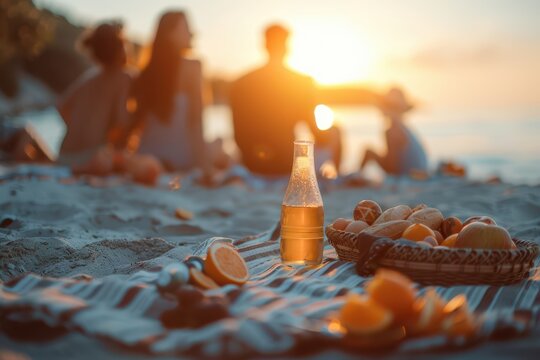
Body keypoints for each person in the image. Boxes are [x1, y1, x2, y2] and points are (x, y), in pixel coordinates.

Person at [230, 24, 341, 176]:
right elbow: (315, 132)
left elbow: (238, 136)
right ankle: (330, 182)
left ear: (265, 45)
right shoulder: (301, 83)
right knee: (335, 131)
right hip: (288, 165)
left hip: (252, 165)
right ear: (287, 47)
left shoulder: (241, 82)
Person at [130, 11, 209, 172]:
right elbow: (196, 121)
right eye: (186, 28)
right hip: (181, 160)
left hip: (147, 158)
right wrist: (203, 167)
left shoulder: (144, 73)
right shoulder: (193, 67)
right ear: (169, 34)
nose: (192, 33)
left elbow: (134, 125)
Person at [57, 21, 132, 166]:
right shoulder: (123, 78)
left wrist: (76, 127)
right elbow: (122, 121)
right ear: (121, 47)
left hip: (64, 154)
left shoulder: (89, 77)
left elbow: (61, 105)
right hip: (92, 158)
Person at [360, 87, 428, 176]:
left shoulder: (393, 131)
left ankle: (357, 176)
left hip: (407, 178)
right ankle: (357, 175)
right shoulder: (404, 129)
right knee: (369, 152)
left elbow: (392, 168)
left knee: (368, 152)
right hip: (418, 175)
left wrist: (372, 156)